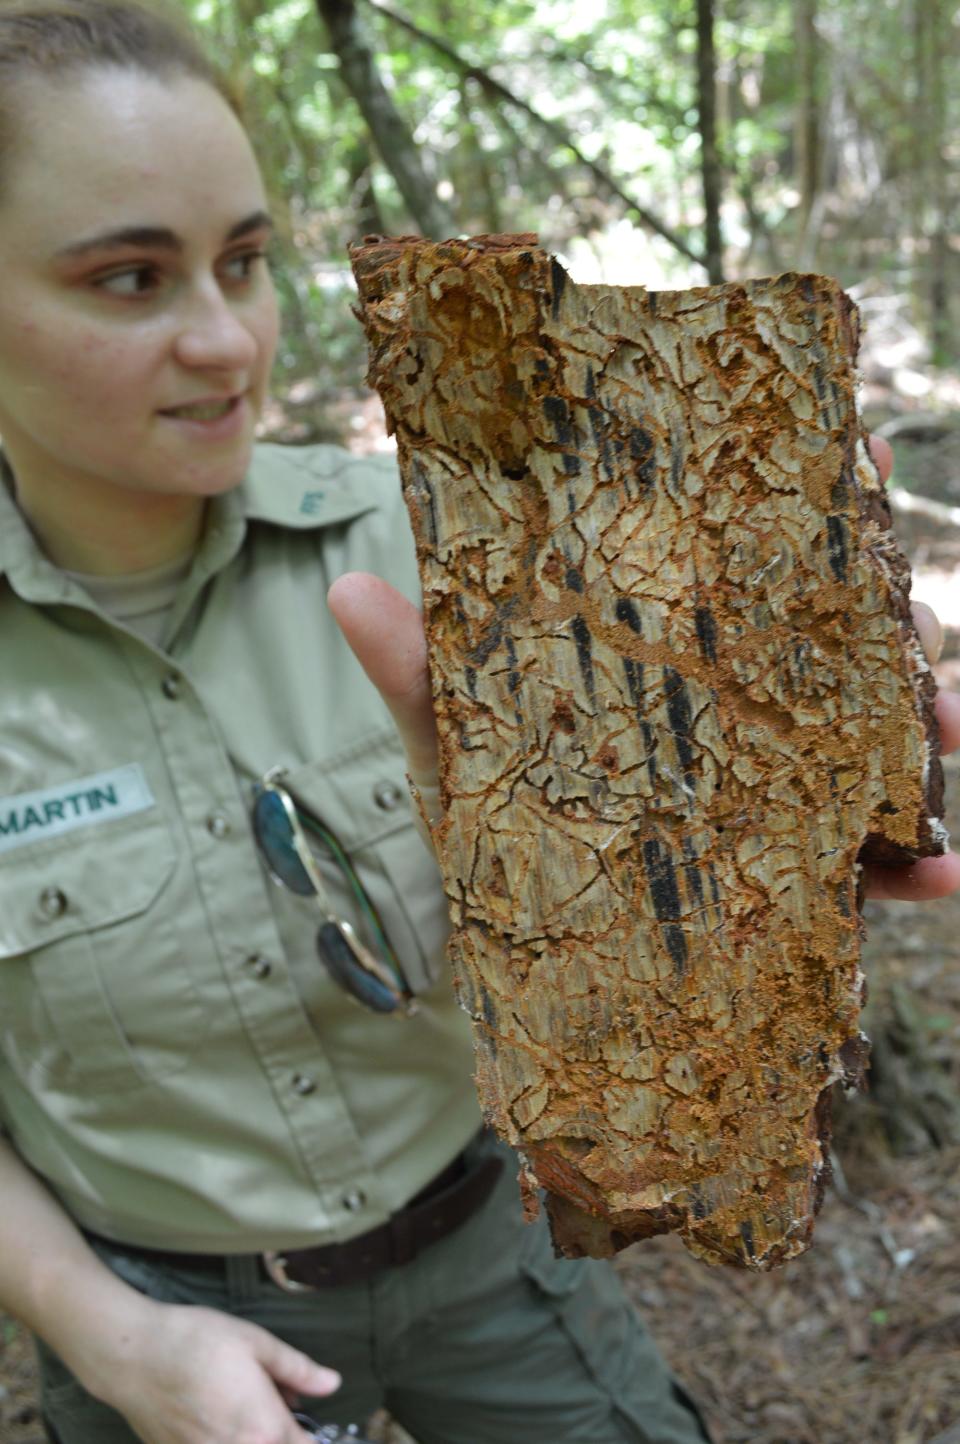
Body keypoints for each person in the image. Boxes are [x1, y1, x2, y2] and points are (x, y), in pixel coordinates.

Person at [0, 4, 957, 1444]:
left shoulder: (433, 550)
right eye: (130, 277)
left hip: (489, 1258)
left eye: (245, 262)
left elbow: (643, 886)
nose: (227, 337)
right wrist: (117, 1343)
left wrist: (773, 819)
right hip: (163, 1314)